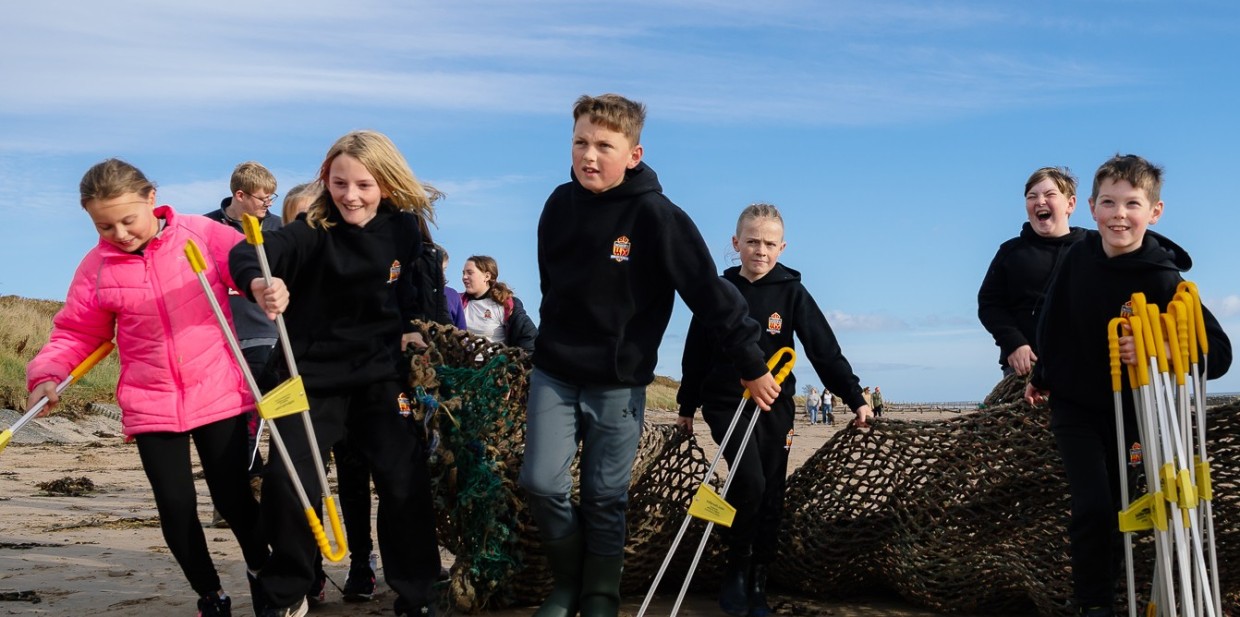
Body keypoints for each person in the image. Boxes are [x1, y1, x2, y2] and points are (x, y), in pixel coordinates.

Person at [518, 93, 780, 617]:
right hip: (555, 372)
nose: (589, 156)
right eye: (580, 143)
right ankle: (568, 584)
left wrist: (751, 365)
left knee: (604, 497)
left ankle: (599, 595)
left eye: (604, 146)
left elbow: (709, 293)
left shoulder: (657, 216)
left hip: (620, 381)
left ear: (633, 154)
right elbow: (552, 287)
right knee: (541, 485)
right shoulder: (556, 205)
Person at [26, 158, 270, 617]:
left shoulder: (201, 233)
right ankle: (210, 595)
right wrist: (46, 375)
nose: (119, 233)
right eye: (104, 225)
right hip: (151, 400)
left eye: (127, 219)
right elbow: (77, 332)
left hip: (217, 388)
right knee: (176, 507)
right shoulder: (96, 266)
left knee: (234, 498)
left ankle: (264, 573)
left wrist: (259, 284)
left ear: (151, 200)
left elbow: (248, 262)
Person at [231, 130, 442, 617]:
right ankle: (288, 591)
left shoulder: (405, 231)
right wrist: (261, 283)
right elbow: (248, 254)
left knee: (403, 476)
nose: (351, 195)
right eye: (340, 182)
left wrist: (413, 328)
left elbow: (414, 294)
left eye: (364, 184)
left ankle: (418, 594)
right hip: (307, 379)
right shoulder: (310, 229)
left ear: (386, 184)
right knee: (289, 482)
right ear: (326, 180)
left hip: (379, 376)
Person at [1025, 154, 1231, 617]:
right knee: (1093, 505)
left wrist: (1158, 348)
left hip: (1134, 414)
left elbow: (1218, 354)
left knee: (1118, 505)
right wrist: (1041, 376)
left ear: (1153, 212)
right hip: (1075, 406)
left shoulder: (1163, 278)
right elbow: (1053, 317)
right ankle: (1093, 604)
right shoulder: (1077, 255)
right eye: (1109, 203)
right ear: (1092, 209)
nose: (1120, 214)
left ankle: (1121, 595)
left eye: (1132, 203)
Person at [677, 202, 873, 617]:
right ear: (736, 243)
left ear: (782, 247)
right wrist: (685, 405)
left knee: (771, 492)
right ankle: (735, 570)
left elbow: (825, 350)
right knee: (748, 482)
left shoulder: (793, 291)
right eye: (751, 242)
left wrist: (855, 397)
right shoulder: (719, 290)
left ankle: (758, 578)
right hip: (726, 400)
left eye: (768, 243)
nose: (760, 251)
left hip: (776, 405)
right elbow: (695, 352)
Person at [205, 161, 282, 528]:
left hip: (270, 334)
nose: (268, 205)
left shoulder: (280, 227)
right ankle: (232, 496)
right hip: (222, 338)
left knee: (276, 414)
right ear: (240, 195)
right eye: (263, 199)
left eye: (272, 198)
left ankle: (274, 490)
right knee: (233, 418)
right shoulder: (207, 227)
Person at [979, 166, 1087, 376]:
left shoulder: (1093, 247)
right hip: (1025, 366)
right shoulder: (1010, 252)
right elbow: (989, 305)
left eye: (1050, 195)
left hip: (1084, 365)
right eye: (1032, 196)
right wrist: (1013, 343)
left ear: (1070, 204)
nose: (1040, 201)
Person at [460, 255, 537, 352]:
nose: (464, 277)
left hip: (494, 365)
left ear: (487, 276)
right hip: (464, 365)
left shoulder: (506, 305)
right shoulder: (458, 302)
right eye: (463, 273)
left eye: (470, 273)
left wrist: (518, 364)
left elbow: (529, 337)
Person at [439, 245, 467, 330]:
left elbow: (461, 331)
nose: (441, 273)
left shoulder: (452, 295)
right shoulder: (408, 291)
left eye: (444, 269)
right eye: (437, 268)